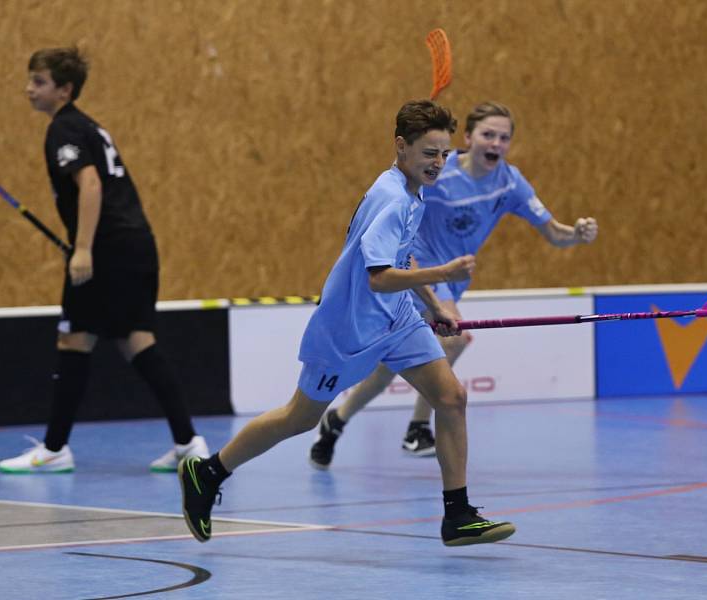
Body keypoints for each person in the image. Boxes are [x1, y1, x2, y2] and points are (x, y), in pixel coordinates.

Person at [178, 100, 515, 547]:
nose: (438, 163)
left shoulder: (412, 190)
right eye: (429, 153)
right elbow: (379, 276)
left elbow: (402, 254)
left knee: (451, 397)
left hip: (396, 318)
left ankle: (458, 514)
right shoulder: (393, 199)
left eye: (444, 153)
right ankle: (208, 472)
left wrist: (433, 305)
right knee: (298, 417)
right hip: (349, 331)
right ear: (401, 146)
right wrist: (442, 274)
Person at [309, 100, 598, 468]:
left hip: (452, 280)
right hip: (418, 270)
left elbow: (556, 234)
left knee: (387, 370)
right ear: (468, 138)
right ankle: (417, 429)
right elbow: (400, 222)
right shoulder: (438, 173)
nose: (496, 143)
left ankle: (337, 421)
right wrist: (432, 291)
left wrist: (578, 234)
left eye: (504, 138)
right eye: (488, 135)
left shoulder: (510, 182)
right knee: (454, 337)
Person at [0, 47, 208, 474]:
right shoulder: (87, 126)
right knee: (131, 340)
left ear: (64, 90)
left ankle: (55, 450)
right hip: (134, 245)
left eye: (38, 83)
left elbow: (90, 185)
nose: (29, 90)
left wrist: (84, 248)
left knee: (76, 337)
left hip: (109, 250)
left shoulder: (64, 129)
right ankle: (188, 442)